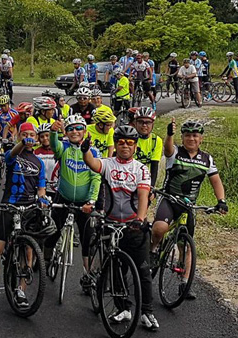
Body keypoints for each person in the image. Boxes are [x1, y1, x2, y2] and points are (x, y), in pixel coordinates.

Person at [81, 125, 158, 331]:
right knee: (116, 269)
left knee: (142, 270)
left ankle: (147, 312)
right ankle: (123, 308)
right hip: (111, 224)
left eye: (130, 143)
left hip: (134, 226)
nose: (125, 146)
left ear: (135, 146)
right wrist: (85, 148)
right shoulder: (107, 164)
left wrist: (140, 219)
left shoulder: (141, 169)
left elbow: (143, 196)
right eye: (121, 142)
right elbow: (91, 162)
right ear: (116, 144)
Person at [151, 119, 228, 299]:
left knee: (187, 245)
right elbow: (167, 148)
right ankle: (153, 249)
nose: (191, 138)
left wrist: (221, 201)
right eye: (187, 135)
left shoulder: (207, 159)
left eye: (195, 135)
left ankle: (184, 284)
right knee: (159, 229)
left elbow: (215, 180)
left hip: (188, 205)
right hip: (169, 200)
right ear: (182, 137)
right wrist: (169, 134)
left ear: (201, 138)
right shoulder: (176, 152)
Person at [0, 122, 47, 306]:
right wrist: (21, 143)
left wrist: (43, 199)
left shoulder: (39, 162)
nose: (29, 137)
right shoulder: (12, 155)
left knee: (28, 252)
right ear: (19, 136)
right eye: (24, 134)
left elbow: (41, 188)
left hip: (28, 209)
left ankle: (21, 290)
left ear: (37, 139)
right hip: (10, 206)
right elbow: (11, 154)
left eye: (32, 135)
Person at [45, 115, 101, 281]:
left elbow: (96, 178)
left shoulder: (94, 152)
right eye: (70, 128)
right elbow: (54, 145)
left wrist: (92, 201)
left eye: (78, 128)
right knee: (53, 232)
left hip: (85, 203)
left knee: (87, 239)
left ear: (84, 131)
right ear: (66, 132)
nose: (74, 131)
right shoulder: (64, 148)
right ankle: (46, 260)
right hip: (63, 198)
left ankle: (88, 275)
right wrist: (53, 131)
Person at [132, 107, 162, 187]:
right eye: (141, 122)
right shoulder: (130, 138)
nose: (144, 125)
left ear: (153, 124)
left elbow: (154, 166)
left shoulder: (156, 140)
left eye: (148, 122)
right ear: (135, 123)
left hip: (145, 179)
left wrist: (151, 187)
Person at [34, 123, 58, 199]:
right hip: (40, 188)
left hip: (55, 189)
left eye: (47, 135)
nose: (45, 138)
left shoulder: (58, 151)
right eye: (42, 136)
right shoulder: (36, 152)